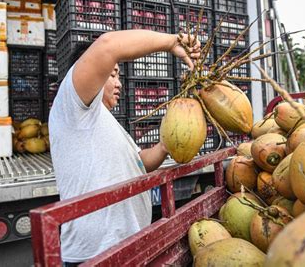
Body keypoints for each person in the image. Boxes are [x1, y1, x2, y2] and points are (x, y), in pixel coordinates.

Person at [49, 30, 200, 265]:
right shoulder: (72, 104)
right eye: (112, 74)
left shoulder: (105, 120)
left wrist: (165, 144)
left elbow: (139, 163)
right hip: (96, 255)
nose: (119, 83)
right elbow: (107, 45)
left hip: (127, 246)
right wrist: (172, 42)